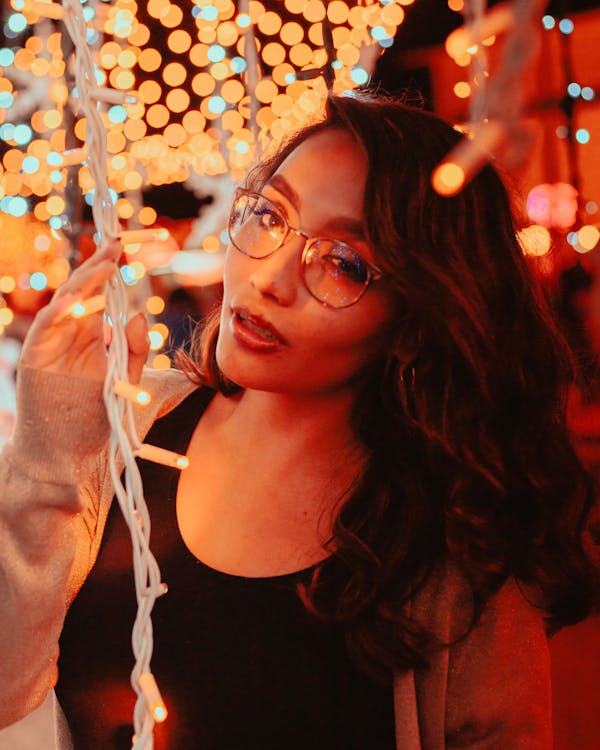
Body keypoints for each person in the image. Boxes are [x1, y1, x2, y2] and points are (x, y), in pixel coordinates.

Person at [0, 92, 596, 749]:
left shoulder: (453, 538)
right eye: (269, 215)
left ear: (418, 312)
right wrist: (48, 438)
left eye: (344, 264)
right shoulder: (128, 431)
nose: (269, 279)